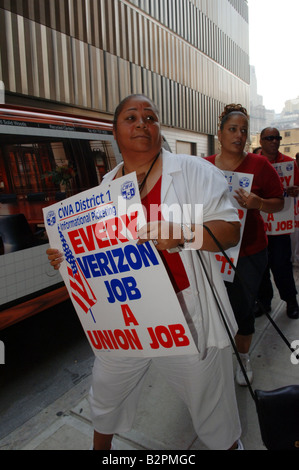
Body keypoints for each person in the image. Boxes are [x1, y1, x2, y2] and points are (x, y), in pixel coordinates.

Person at [47, 94, 244, 450]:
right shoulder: (103, 191)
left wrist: (185, 233)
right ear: (115, 132)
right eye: (131, 117)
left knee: (213, 413)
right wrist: (68, 258)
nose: (142, 123)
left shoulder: (195, 172)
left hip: (186, 315)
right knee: (105, 398)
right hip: (123, 319)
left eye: (150, 117)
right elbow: (99, 254)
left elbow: (230, 232)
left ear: (159, 130)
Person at [206, 105, 284, 386]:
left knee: (242, 309)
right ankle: (216, 358)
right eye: (232, 129)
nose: (238, 135)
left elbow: (279, 203)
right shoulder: (203, 166)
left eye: (243, 130)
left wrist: (259, 203)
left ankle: (243, 357)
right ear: (220, 134)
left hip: (250, 252)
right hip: (211, 253)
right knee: (212, 309)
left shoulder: (259, 165)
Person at [255, 128, 299, 319]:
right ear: (261, 141)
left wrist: (296, 190)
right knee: (261, 267)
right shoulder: (252, 163)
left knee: (282, 265)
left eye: (277, 138)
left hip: (281, 226)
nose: (275, 141)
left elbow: (297, 187)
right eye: (270, 138)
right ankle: (264, 303)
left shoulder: (290, 164)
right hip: (258, 225)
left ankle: (291, 301)